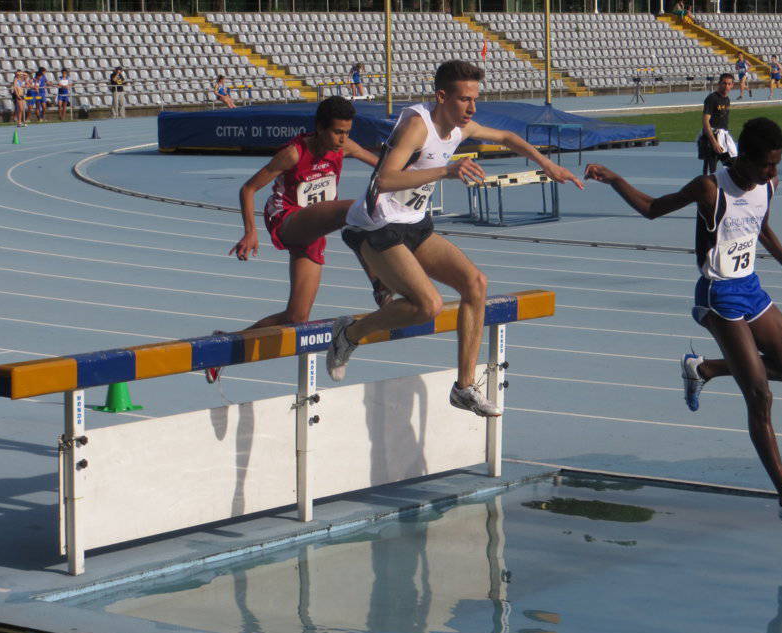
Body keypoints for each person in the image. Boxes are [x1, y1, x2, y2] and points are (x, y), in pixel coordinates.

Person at [584, 117, 782, 530]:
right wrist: (614, 179)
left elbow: (761, 227)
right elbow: (650, 209)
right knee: (759, 395)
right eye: (767, 165)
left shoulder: (768, 186)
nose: (773, 172)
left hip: (751, 289)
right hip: (718, 295)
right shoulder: (710, 189)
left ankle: (704, 369)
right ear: (745, 158)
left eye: (777, 164)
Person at [325, 59, 583, 417]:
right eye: (464, 100)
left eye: (475, 99)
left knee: (475, 284)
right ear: (442, 96)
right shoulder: (417, 126)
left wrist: (546, 164)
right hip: (376, 224)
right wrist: (447, 170)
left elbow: (507, 137)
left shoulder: (460, 127)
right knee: (427, 306)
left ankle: (463, 388)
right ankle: (349, 334)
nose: (472, 108)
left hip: (414, 223)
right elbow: (384, 180)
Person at [206, 97, 381, 384]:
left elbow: (380, 166)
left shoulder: (345, 147)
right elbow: (248, 189)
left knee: (297, 316)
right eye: (338, 132)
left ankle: (223, 348)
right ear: (320, 128)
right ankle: (380, 285)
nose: (343, 139)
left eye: (347, 132)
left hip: (315, 231)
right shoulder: (294, 153)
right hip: (287, 220)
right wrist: (250, 231)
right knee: (357, 211)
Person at [698, 73, 735, 176]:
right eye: (724, 83)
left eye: (729, 84)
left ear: (732, 85)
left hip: (723, 137)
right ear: (719, 84)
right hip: (712, 137)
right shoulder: (712, 98)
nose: (726, 86)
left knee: (732, 165)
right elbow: (705, 122)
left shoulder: (727, 99)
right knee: (711, 172)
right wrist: (714, 142)